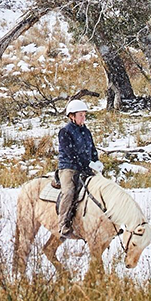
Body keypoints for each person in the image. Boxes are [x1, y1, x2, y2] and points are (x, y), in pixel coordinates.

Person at [55, 99, 103, 239]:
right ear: (72, 116)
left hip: (85, 167)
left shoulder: (86, 131)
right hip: (69, 168)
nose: (83, 118)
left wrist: (96, 161)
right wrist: (86, 164)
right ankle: (63, 224)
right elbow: (71, 153)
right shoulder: (65, 132)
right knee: (69, 192)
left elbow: (92, 149)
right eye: (80, 115)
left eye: (84, 115)